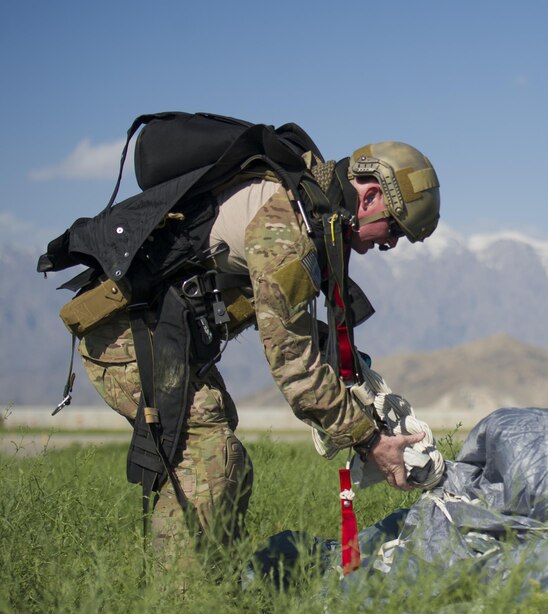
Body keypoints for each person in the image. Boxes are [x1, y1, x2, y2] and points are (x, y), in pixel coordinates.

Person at [76, 141, 440, 567]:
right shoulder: (287, 229)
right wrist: (370, 441)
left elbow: (290, 324)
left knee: (227, 464)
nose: (391, 244)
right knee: (210, 460)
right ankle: (180, 609)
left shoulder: (309, 207)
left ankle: (216, 585)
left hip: (166, 337)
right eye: (395, 229)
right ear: (371, 196)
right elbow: (294, 367)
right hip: (125, 334)